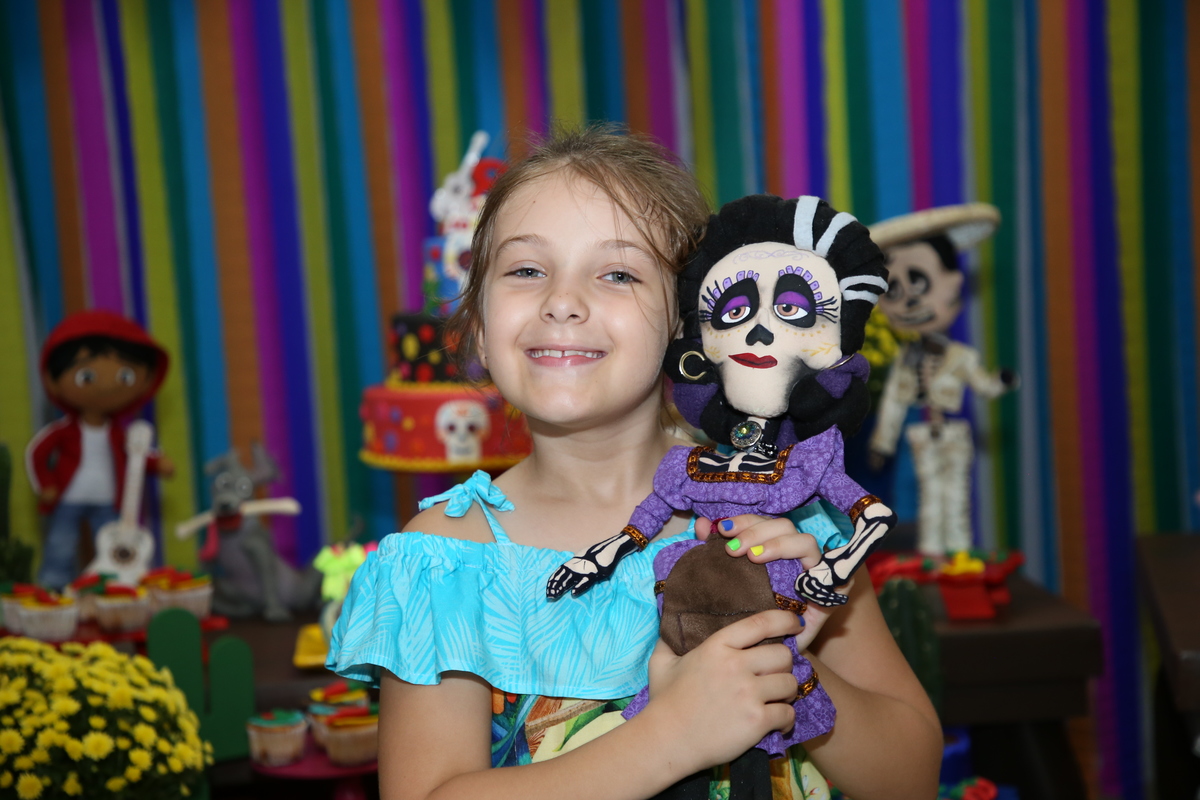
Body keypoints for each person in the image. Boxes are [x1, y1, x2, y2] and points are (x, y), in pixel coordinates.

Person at [327, 127, 941, 800]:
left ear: (688, 324)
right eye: (526, 270)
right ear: (477, 320)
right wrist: (671, 736)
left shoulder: (788, 507)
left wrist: (787, 661)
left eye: (618, 273)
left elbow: (911, 777)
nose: (562, 301)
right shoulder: (442, 564)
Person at [866, 204, 1019, 556]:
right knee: (930, 498)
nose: (910, 298)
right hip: (923, 437)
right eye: (893, 290)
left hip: (954, 435)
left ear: (953, 283)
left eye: (919, 281)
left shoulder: (961, 357)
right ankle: (933, 556)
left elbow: (983, 385)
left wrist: (1002, 381)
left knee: (957, 496)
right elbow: (894, 403)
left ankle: (959, 554)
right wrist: (881, 444)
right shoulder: (906, 361)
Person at [25, 310, 173, 590]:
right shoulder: (63, 432)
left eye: (126, 375)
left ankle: (112, 587)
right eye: (87, 375)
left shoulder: (119, 434)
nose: (107, 385)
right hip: (69, 496)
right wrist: (46, 484)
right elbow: (37, 455)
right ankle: (53, 586)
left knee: (113, 548)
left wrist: (157, 464)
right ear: (53, 380)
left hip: (108, 499)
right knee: (61, 542)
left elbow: (136, 455)